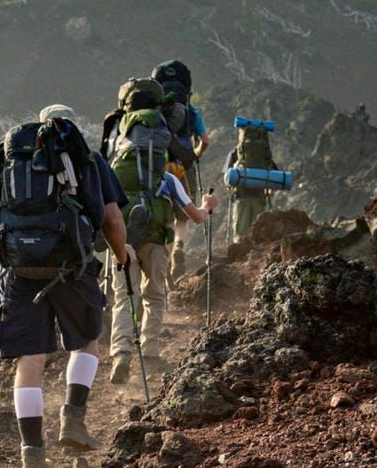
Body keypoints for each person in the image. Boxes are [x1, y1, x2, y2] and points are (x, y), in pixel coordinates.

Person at [0, 106, 132, 468]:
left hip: (21, 273)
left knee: (30, 360)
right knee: (86, 343)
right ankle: (72, 418)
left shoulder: (6, 159)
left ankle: (32, 460)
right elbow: (111, 220)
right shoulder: (86, 158)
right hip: (71, 268)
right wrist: (121, 255)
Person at [106, 107, 219, 384]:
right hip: (156, 242)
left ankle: (121, 354)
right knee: (154, 297)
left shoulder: (114, 171)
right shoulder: (166, 176)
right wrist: (208, 206)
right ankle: (150, 354)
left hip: (123, 243)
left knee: (123, 298)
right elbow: (193, 216)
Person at [152, 60, 210, 278]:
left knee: (164, 217)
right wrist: (194, 155)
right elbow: (205, 141)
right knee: (183, 217)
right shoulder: (191, 111)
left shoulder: (154, 111)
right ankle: (179, 247)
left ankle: (165, 258)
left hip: (158, 167)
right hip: (183, 168)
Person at [226, 117, 281, 246]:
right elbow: (274, 176)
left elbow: (227, 178)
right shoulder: (265, 154)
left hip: (241, 197)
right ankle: (255, 260)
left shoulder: (236, 153)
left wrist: (231, 188)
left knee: (240, 236)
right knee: (259, 235)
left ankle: (239, 259)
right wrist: (269, 190)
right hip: (259, 198)